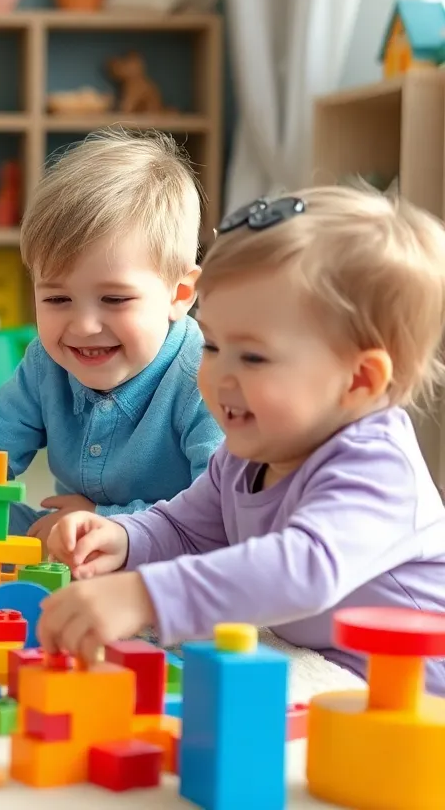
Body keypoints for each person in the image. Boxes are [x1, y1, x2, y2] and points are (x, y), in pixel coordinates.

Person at [40, 187, 445, 695]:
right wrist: (122, 539)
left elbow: (302, 569)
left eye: (252, 357)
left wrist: (146, 596)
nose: (216, 376)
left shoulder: (378, 466)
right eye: (211, 344)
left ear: (359, 380)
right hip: (328, 670)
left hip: (416, 691)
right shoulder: (246, 453)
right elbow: (186, 529)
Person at [0, 128, 223, 539]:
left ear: (180, 294)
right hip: (77, 536)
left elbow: (216, 508)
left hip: (176, 547)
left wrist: (107, 519)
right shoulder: (47, 362)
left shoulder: (205, 378)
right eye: (58, 300)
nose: (82, 327)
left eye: (114, 300)